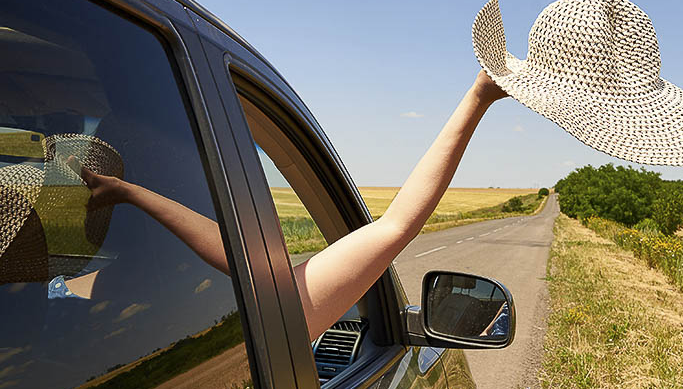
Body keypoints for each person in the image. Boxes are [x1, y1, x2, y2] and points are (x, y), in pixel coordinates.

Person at [71, 70, 508, 339]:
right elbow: (394, 226)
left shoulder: (60, 306)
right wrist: (477, 98)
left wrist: (131, 194)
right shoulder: (257, 320)